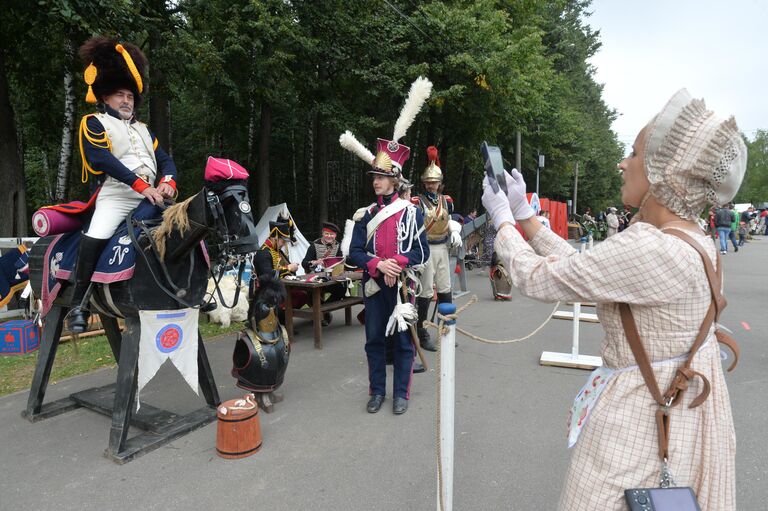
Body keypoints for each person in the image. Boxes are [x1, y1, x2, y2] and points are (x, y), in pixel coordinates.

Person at [482, 88, 745, 510]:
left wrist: (502, 222)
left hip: (636, 419)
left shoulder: (650, 247)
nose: (623, 163)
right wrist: (528, 221)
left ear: (662, 171)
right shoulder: (693, 239)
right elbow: (595, 273)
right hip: (678, 415)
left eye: (634, 152)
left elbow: (540, 279)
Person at [69, 36, 177, 333]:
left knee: (188, 226)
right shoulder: (93, 122)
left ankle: (194, 288)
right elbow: (102, 160)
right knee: (97, 233)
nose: (126, 100)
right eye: (119, 94)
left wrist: (167, 181)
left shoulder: (144, 130)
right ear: (105, 97)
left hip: (154, 197)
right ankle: (79, 303)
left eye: (130, 95)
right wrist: (143, 186)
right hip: (116, 197)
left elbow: (166, 161)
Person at [341, 76, 431, 415]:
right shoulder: (365, 215)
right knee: (373, 341)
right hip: (375, 285)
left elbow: (420, 252)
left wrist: (397, 263)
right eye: (374, 177)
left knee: (404, 343)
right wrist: (378, 265)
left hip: (404, 286)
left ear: (394, 179)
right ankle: (377, 391)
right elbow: (354, 253)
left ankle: (401, 394)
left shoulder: (411, 212)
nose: (375, 181)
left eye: (380, 177)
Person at [412, 146, 462, 352]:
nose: (432, 185)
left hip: (442, 247)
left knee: (445, 290)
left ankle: (446, 330)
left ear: (440, 183)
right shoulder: (417, 202)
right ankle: (422, 333)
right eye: (429, 182)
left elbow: (448, 219)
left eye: (435, 182)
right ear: (424, 183)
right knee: (424, 292)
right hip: (426, 249)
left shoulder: (446, 201)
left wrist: (454, 230)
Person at [301, 221, 347, 325]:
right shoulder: (314, 245)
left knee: (341, 290)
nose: (329, 236)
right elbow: (304, 263)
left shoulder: (338, 246)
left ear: (335, 235)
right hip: (315, 278)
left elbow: (340, 260)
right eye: (326, 233)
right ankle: (321, 315)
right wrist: (315, 262)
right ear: (323, 233)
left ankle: (323, 311)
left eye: (331, 234)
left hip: (331, 278)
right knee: (312, 293)